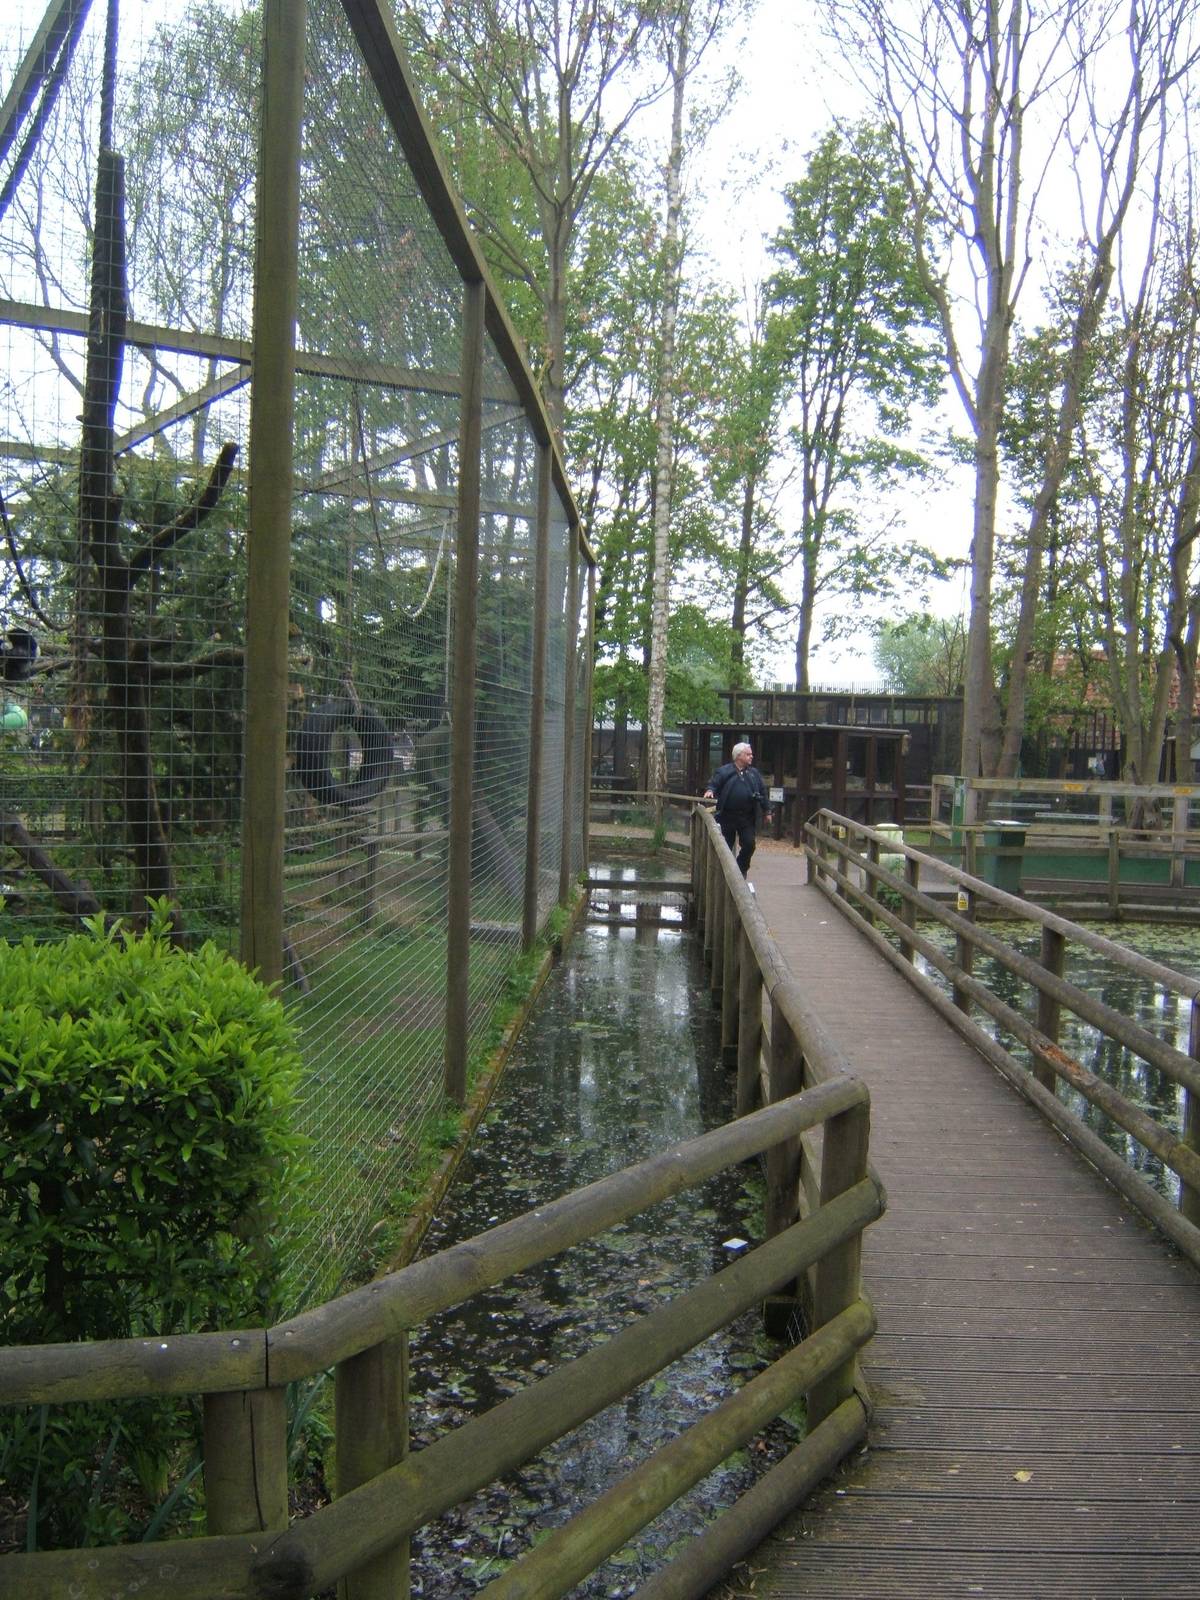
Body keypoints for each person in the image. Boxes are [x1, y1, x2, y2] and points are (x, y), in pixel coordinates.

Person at [703, 742, 772, 877]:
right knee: (725, 848)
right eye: (748, 754)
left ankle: (740, 870)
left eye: (751, 754)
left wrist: (767, 811)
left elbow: (762, 792)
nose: (751, 756)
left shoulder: (754, 773)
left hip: (746, 817)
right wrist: (710, 790)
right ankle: (724, 875)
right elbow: (714, 783)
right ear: (739, 756)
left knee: (749, 844)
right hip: (726, 816)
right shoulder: (724, 771)